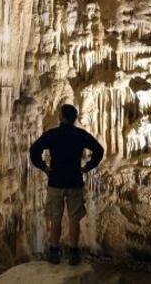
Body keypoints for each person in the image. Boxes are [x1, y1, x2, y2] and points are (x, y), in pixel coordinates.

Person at [29, 104, 104, 266]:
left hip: (56, 181)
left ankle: (54, 251)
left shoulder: (53, 134)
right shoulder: (80, 135)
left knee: (55, 218)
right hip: (74, 181)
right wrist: (87, 167)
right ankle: (73, 253)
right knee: (74, 219)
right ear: (74, 119)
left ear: (61, 117)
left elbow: (34, 150)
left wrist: (44, 167)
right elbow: (99, 150)